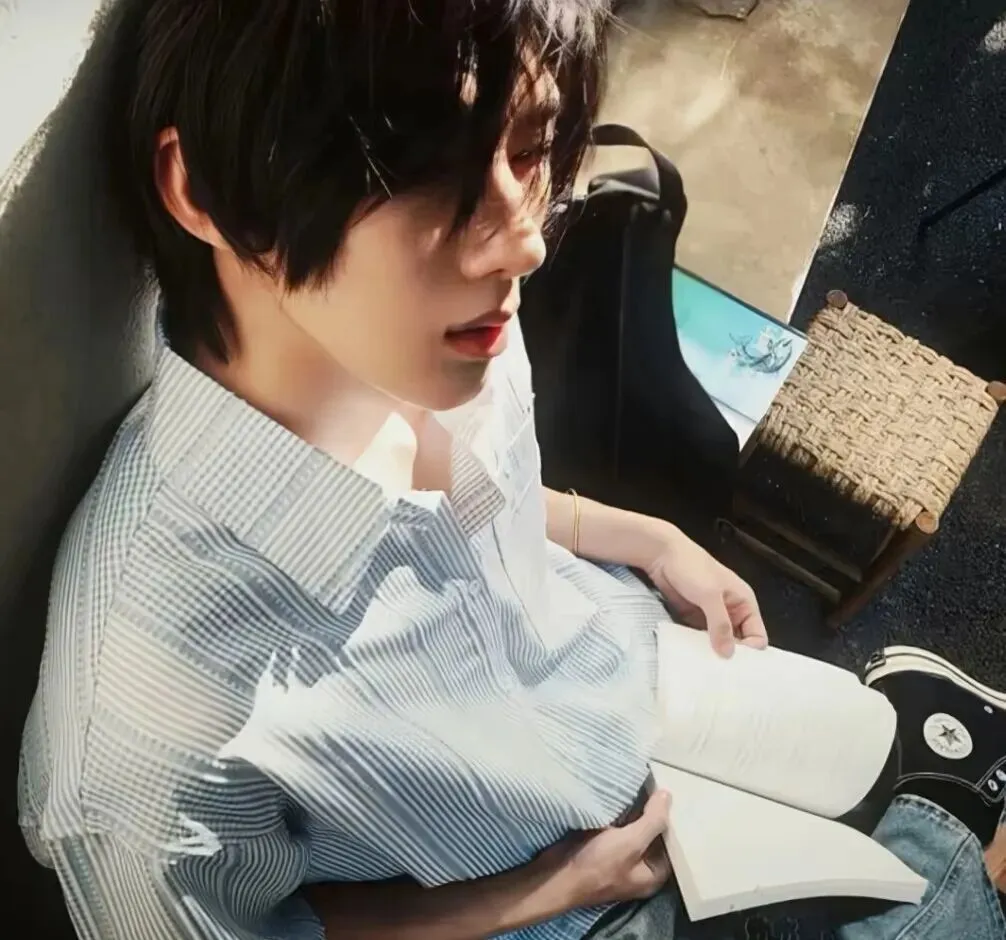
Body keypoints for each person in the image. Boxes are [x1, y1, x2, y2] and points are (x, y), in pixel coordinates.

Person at [17, 1, 1005, 938]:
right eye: (424, 172)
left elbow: (460, 513)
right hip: (567, 903)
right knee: (951, 886)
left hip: (622, 679)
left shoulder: (433, 335)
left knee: (886, 786)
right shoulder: (149, 730)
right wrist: (547, 892)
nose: (523, 241)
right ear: (206, 192)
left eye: (530, 150)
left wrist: (643, 538)